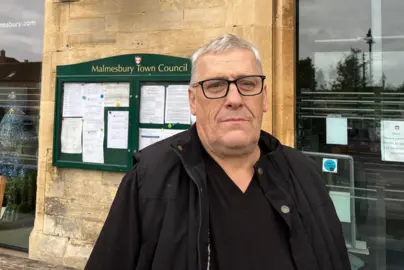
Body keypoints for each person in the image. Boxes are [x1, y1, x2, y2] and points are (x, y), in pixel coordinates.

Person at [85, 34, 351, 270]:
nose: (234, 99)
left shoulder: (303, 173)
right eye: (215, 86)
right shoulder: (149, 180)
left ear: (265, 97)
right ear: (192, 100)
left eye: (247, 84)